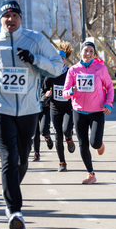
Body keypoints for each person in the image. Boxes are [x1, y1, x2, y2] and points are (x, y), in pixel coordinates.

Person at [0, 0, 63, 229]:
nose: (10, 20)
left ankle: (10, 192)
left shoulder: (36, 40)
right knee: (9, 159)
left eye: (14, 15)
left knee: (21, 161)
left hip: (29, 110)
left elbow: (58, 66)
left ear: (21, 18)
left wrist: (34, 60)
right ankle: (15, 211)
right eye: (6, 16)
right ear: (0, 19)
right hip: (1, 109)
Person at [63, 41, 114, 184]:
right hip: (79, 111)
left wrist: (108, 104)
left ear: (94, 53)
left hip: (97, 110)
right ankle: (91, 174)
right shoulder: (73, 70)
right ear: (80, 52)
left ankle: (99, 144)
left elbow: (109, 87)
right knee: (83, 144)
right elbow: (65, 92)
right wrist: (70, 91)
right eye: (86, 50)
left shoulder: (100, 68)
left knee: (94, 143)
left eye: (91, 51)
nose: (88, 54)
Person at [43, 44, 76, 172]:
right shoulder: (50, 74)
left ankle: (69, 138)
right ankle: (62, 163)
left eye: (61, 58)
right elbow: (45, 88)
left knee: (66, 130)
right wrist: (46, 93)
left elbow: (76, 85)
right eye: (57, 58)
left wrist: (74, 91)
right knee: (57, 135)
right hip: (55, 107)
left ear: (65, 60)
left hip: (68, 107)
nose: (59, 60)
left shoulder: (70, 72)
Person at [32, 75, 53, 162]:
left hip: (45, 107)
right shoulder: (30, 75)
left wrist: (48, 96)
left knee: (44, 130)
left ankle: (47, 137)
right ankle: (36, 153)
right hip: (33, 107)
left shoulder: (47, 75)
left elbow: (53, 90)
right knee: (35, 132)